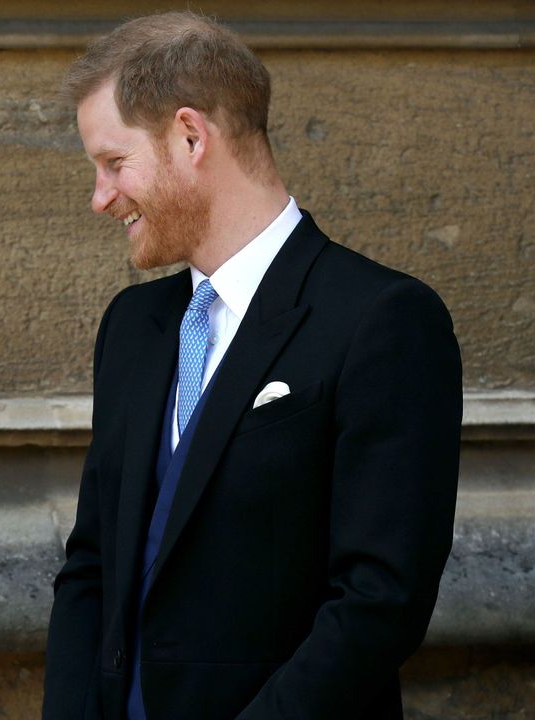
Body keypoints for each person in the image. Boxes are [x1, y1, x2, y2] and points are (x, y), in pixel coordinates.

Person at [42, 12, 461, 720]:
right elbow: (91, 568)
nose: (100, 197)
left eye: (114, 163)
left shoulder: (382, 319)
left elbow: (378, 601)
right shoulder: (133, 328)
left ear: (190, 135)